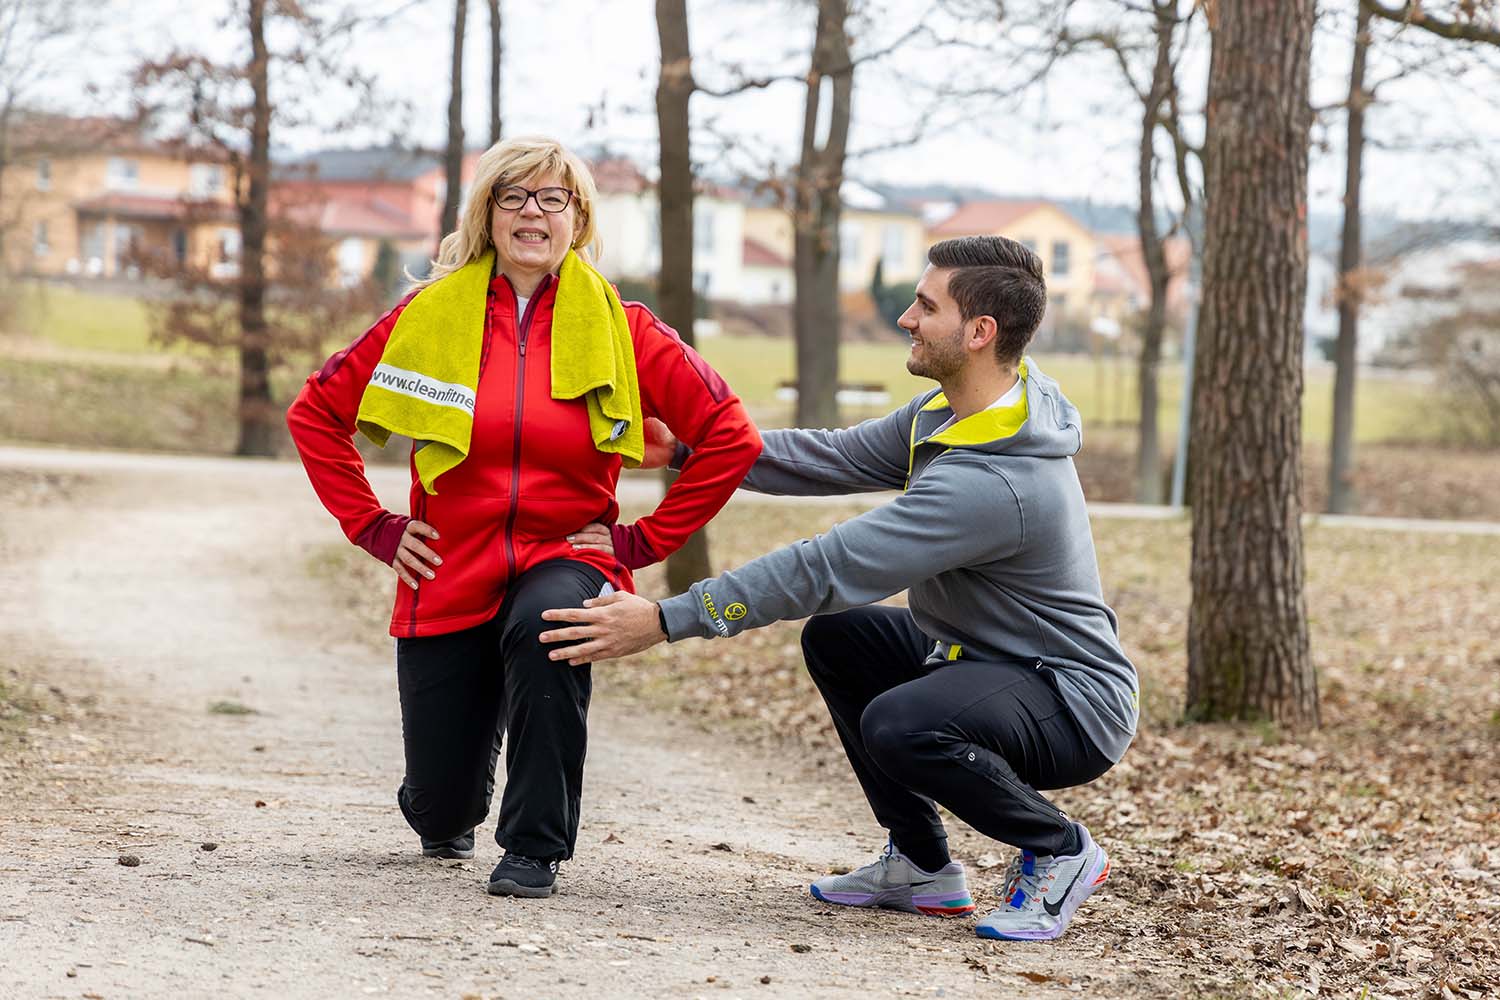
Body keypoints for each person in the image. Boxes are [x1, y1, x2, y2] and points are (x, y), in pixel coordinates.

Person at [538, 235, 1138, 941]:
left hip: (1067, 699)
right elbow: (831, 457)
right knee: (842, 638)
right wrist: (692, 449)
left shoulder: (994, 483)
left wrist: (668, 620)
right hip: (985, 657)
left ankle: (1060, 849)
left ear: (980, 334)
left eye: (925, 306)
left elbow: (823, 567)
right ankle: (921, 865)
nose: (906, 319)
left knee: (901, 724)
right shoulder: (957, 413)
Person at [286, 136, 760, 899]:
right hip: (449, 564)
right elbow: (316, 413)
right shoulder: (427, 317)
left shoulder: (626, 329)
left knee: (550, 626)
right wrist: (373, 526)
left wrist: (643, 540)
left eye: (552, 198)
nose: (532, 213)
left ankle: (534, 847)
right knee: (438, 815)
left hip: (563, 554)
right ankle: (454, 794)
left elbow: (731, 438)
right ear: (488, 213)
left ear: (578, 217)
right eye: (513, 197)